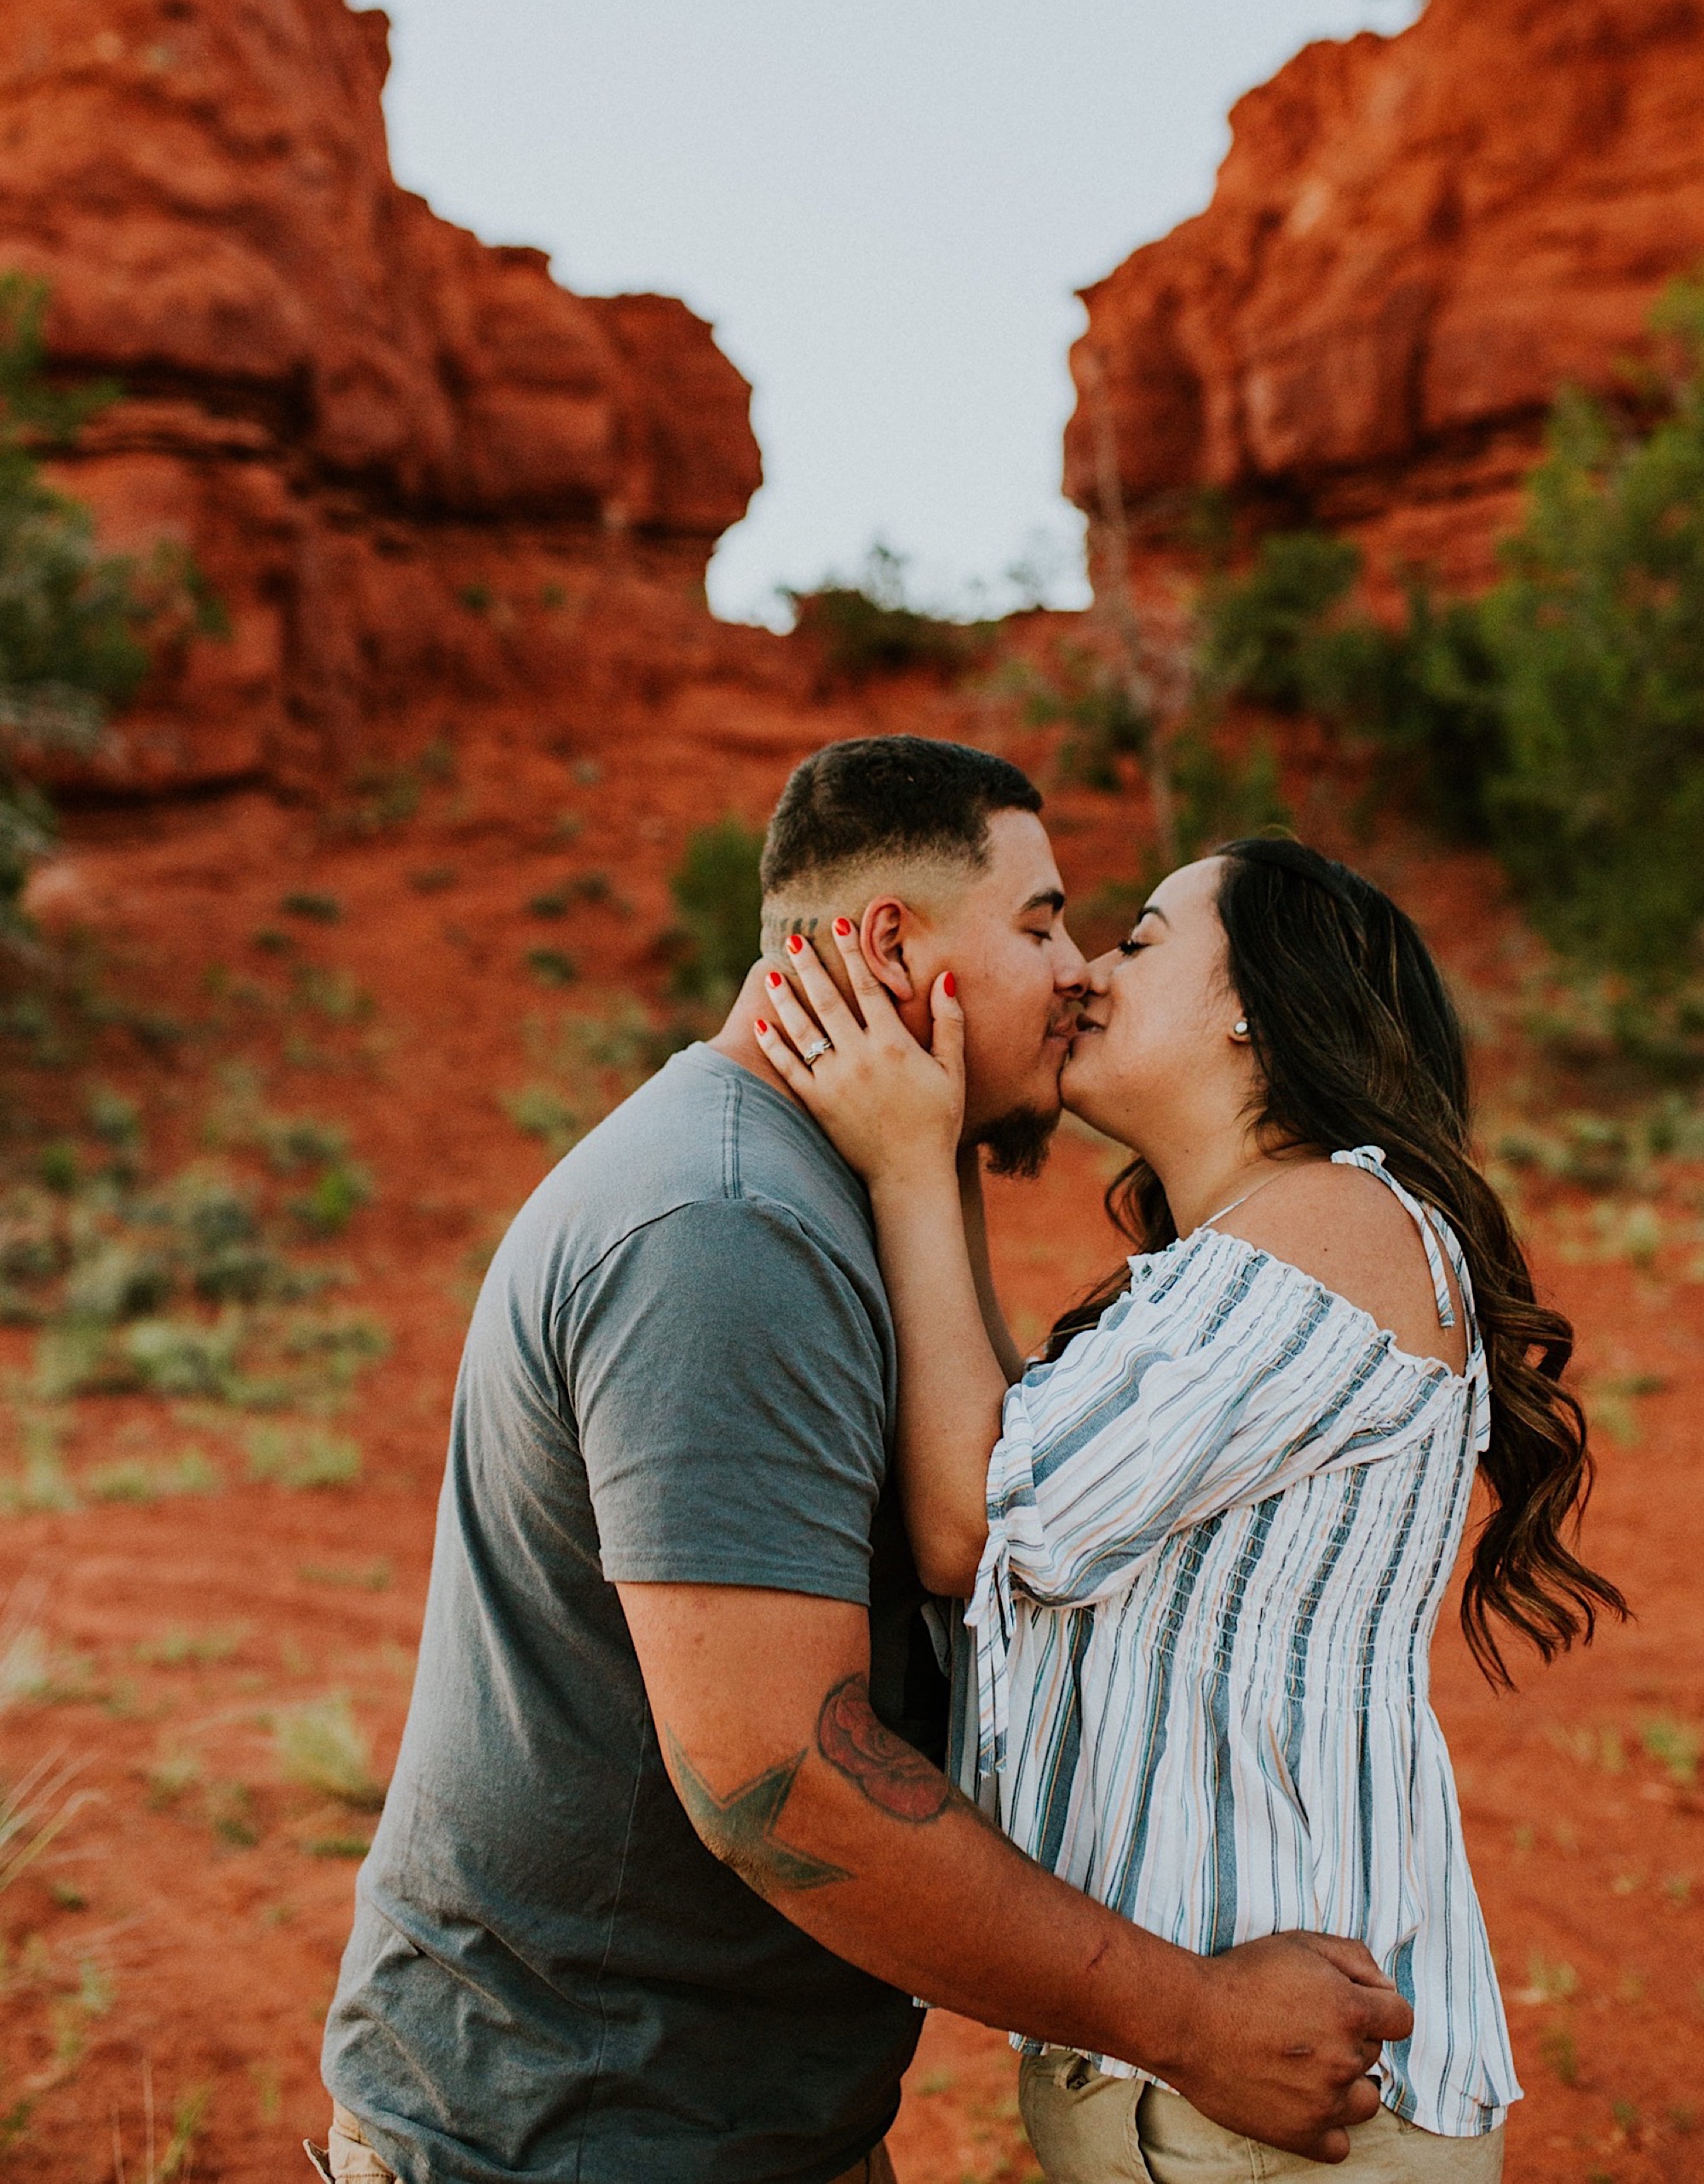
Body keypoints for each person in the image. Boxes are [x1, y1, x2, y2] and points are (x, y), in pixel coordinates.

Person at [319, 746, 1412, 2184]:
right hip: (563, 2135)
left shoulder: (824, 1188)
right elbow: (778, 1777)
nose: (1077, 972)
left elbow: (992, 1493)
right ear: (893, 944)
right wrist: (1193, 2016)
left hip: (716, 2121)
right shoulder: (721, 1231)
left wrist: (931, 1149)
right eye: (1036, 925)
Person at [752, 833, 1625, 2183]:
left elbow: (976, 1522)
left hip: (1278, 2108)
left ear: (1253, 1009)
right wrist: (947, 1147)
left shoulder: (1333, 1226)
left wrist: (912, 1161)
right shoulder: (1248, 1255)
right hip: (1236, 2098)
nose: (1091, 972)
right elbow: (999, 1441)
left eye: (1142, 938)